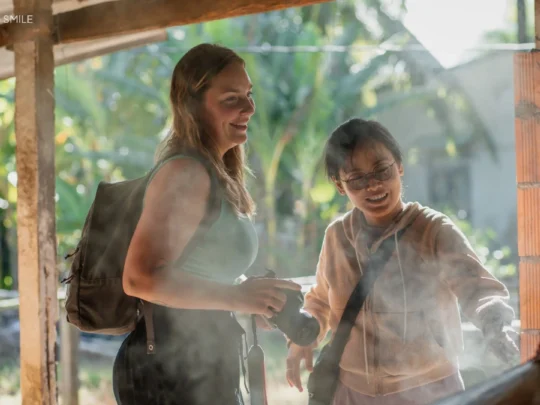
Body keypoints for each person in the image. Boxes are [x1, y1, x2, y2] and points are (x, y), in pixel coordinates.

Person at [112, 43, 301, 405]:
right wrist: (235, 296)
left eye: (249, 94)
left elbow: (197, 270)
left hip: (200, 362)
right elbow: (139, 277)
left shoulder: (216, 173)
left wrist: (253, 298)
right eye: (232, 98)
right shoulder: (186, 172)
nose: (249, 107)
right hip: (170, 370)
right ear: (193, 105)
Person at [286, 118, 519, 405]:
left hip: (431, 392)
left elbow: (478, 288)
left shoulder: (433, 230)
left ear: (399, 166)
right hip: (352, 394)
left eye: (381, 170)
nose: (373, 185)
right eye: (357, 178)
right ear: (339, 185)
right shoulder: (337, 237)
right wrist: (303, 337)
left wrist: (495, 323)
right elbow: (321, 299)